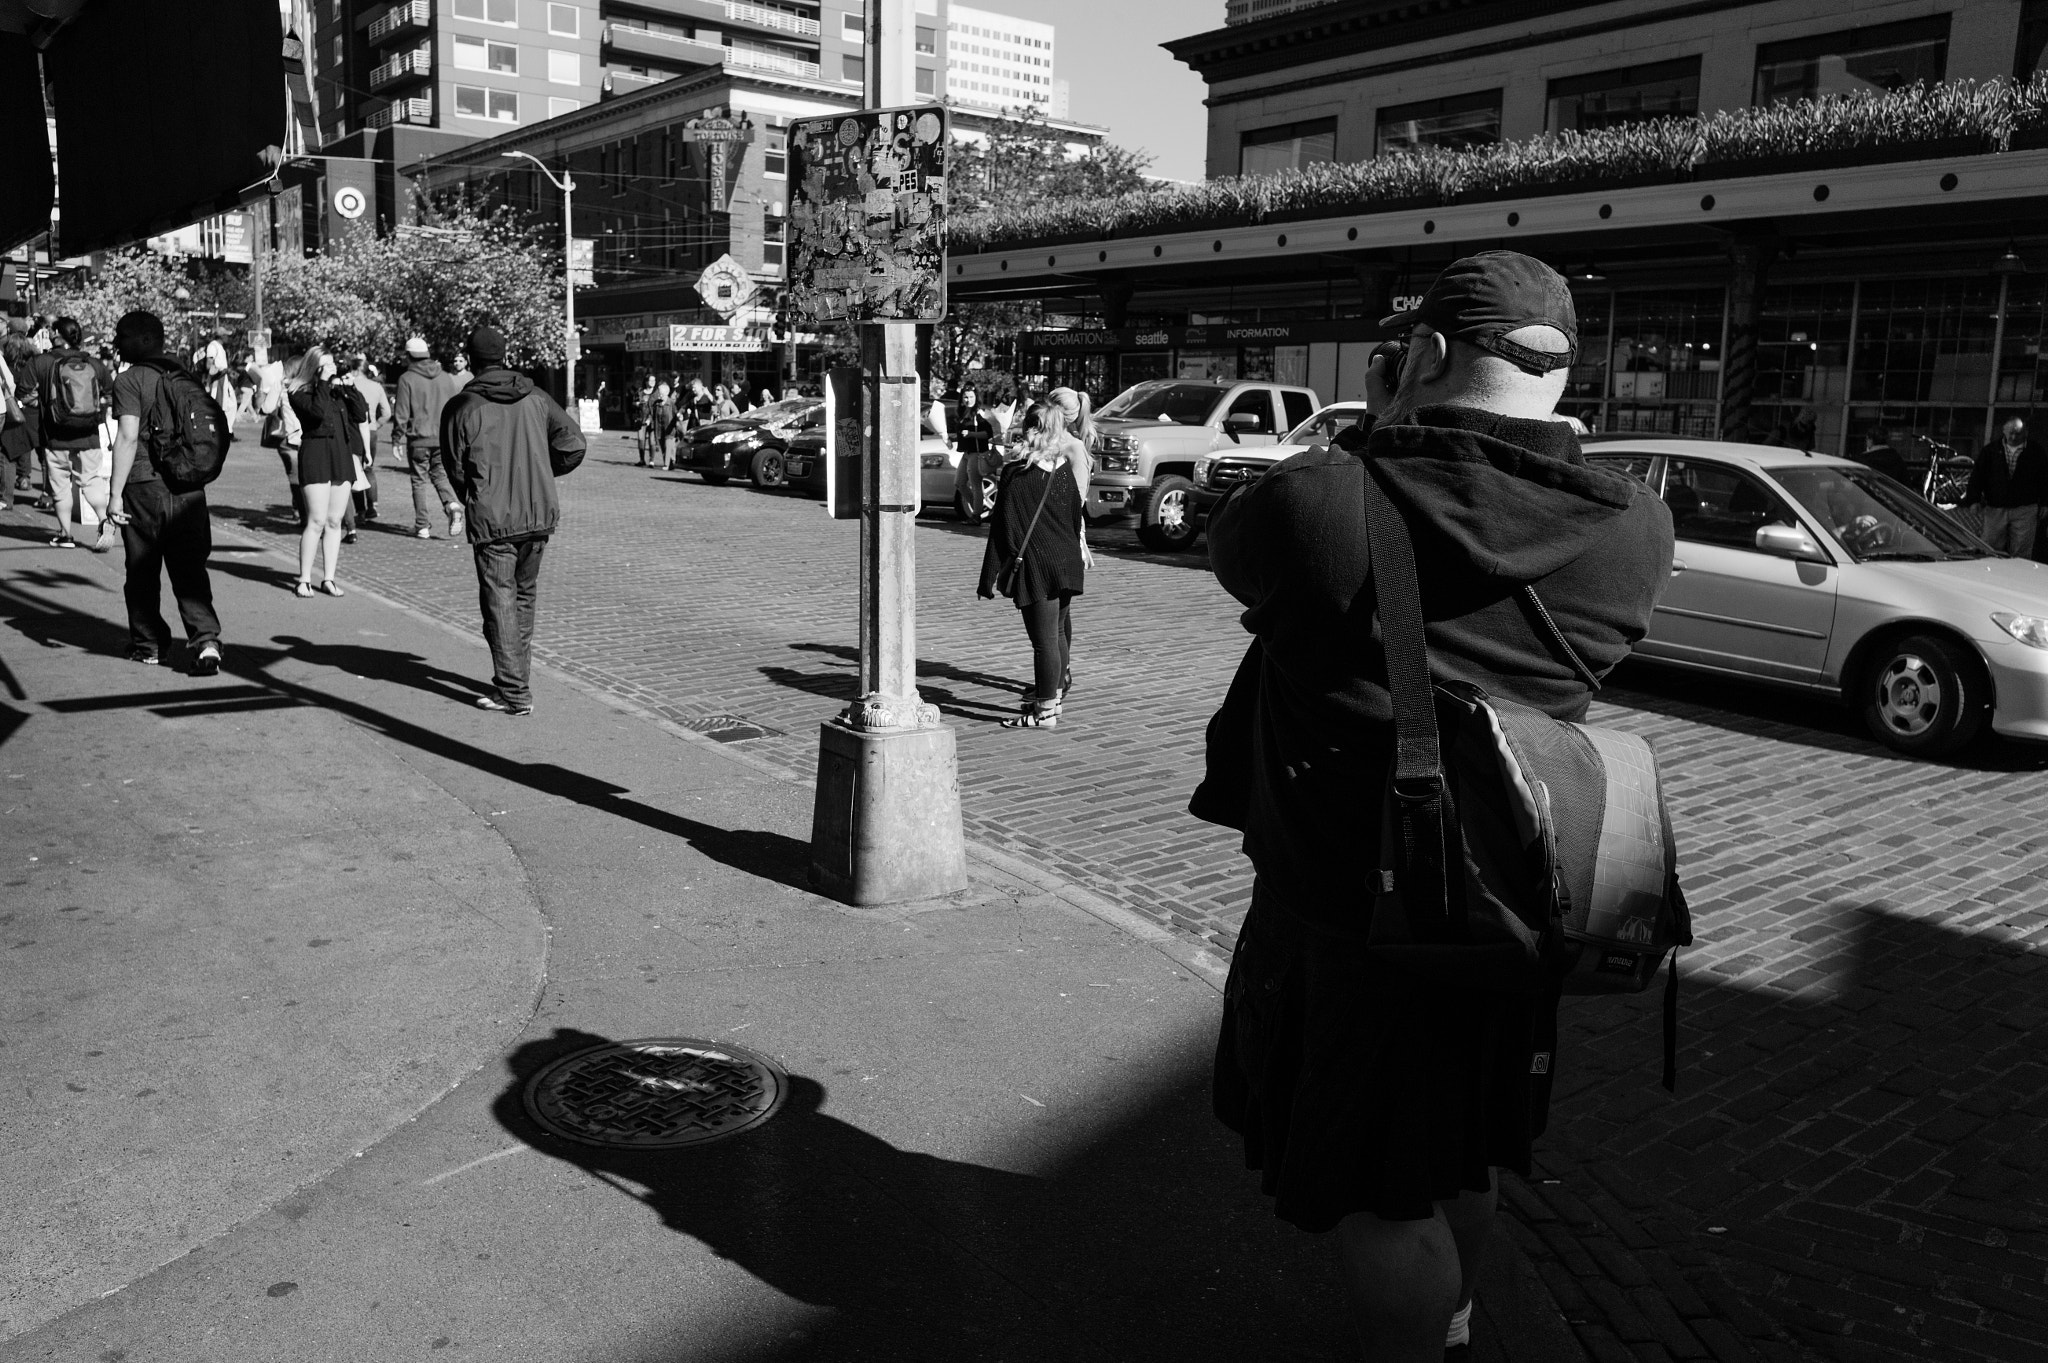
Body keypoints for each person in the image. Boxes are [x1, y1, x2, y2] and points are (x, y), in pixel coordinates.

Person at [1201, 251, 1672, 1363]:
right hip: (1508, 897)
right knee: (1463, 1152)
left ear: (1418, 354)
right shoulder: (1632, 529)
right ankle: (1453, 1328)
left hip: (1348, 917)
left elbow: (1237, 554)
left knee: (1378, 1195)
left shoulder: (1321, 502)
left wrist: (1377, 421)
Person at [439, 322, 586, 716]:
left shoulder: (463, 406)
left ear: (471, 360)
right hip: (536, 514)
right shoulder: (535, 396)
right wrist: (539, 471)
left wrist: (477, 491)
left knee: (500, 603)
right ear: (505, 355)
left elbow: (453, 467)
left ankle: (514, 691)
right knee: (521, 598)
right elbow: (574, 444)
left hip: (495, 518)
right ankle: (515, 680)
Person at [105, 310, 223, 674]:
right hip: (188, 486)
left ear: (143, 340)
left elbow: (126, 437)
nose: (116, 344)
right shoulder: (184, 374)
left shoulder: (129, 380)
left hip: (144, 486)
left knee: (142, 570)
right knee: (190, 569)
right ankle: (206, 641)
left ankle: (149, 644)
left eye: (122, 337)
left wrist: (113, 495)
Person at [977, 399, 1086, 730]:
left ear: (1028, 429)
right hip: (1066, 562)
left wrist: (988, 578)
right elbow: (1073, 518)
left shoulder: (1015, 474)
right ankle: (1053, 698)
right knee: (1057, 634)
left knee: (1044, 643)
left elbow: (1002, 531)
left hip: (1037, 566)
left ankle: (1044, 711)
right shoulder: (1064, 470)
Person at [28, 316, 116, 550]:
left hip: (55, 436)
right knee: (90, 480)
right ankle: (104, 520)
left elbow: (24, 393)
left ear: (56, 334)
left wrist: (42, 401)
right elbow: (108, 393)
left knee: (61, 485)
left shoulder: (42, 361)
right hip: (89, 434)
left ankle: (66, 535)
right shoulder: (94, 364)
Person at [285, 346, 357, 597]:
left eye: (332, 365)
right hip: (316, 455)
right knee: (316, 520)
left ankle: (329, 578)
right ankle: (304, 578)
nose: (331, 370)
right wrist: (325, 383)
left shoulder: (336, 391)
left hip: (340, 455)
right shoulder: (298, 392)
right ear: (313, 367)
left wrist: (350, 387)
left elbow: (360, 413)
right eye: (325, 366)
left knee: (335, 520)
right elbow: (315, 413)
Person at [392, 336, 465, 540]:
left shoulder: (407, 378)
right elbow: (455, 408)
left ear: (409, 356)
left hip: (418, 438)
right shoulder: (445, 377)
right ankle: (451, 504)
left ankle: (422, 525)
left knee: (418, 481)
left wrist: (397, 438)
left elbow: (401, 413)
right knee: (440, 475)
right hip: (441, 437)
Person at [1964, 417, 2047, 557]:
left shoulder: (2036, 452)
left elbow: (2044, 478)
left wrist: (2045, 502)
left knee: (2021, 550)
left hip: (2024, 507)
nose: (2014, 437)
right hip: (1996, 506)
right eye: (2011, 433)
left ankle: (2016, 575)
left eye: (2018, 433)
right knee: (1990, 547)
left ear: (2025, 433)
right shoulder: (1990, 451)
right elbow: (1978, 476)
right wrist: (1973, 499)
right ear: (2004, 431)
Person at [345, 351, 389, 525]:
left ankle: (360, 511)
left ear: (354, 370)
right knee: (369, 468)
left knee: (355, 470)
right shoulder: (376, 387)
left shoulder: (348, 385)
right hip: (371, 431)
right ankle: (373, 505)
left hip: (353, 431)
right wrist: (376, 424)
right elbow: (387, 412)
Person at [635, 374, 658, 465]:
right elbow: (633, 401)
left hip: (652, 419)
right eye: (650, 380)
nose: (652, 382)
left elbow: (657, 407)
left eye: (654, 380)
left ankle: (651, 460)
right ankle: (642, 459)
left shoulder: (656, 392)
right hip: (641, 418)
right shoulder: (640, 392)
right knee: (641, 439)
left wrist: (651, 418)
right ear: (646, 381)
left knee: (652, 440)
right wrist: (636, 403)